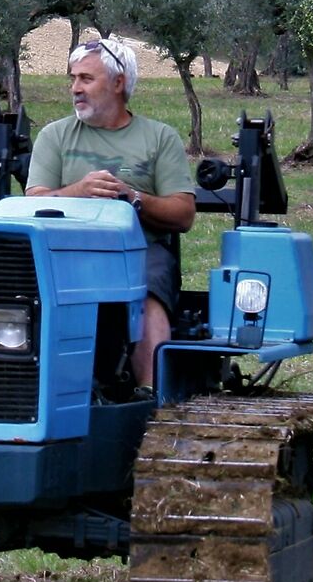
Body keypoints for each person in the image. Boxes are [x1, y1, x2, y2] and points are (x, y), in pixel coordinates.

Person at [25, 35, 196, 393]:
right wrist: (78, 192)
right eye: (73, 79)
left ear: (119, 84)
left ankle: (150, 397)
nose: (75, 88)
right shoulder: (54, 136)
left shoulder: (159, 138)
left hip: (137, 250)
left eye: (86, 79)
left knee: (147, 287)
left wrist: (132, 197)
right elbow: (31, 205)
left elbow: (183, 214)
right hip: (60, 253)